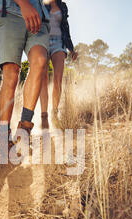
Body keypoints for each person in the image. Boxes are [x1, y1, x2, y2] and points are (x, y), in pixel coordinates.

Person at [0, 0, 50, 152]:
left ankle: (25, 128)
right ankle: (4, 137)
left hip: (39, 18)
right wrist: (24, 4)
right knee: (11, 73)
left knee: (40, 61)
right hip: (10, 13)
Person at [39, 0, 77, 129]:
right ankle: (44, 116)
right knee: (43, 79)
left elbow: (66, 26)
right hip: (43, 41)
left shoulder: (63, 6)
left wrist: (71, 48)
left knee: (58, 80)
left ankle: (54, 113)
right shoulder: (42, 4)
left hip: (59, 43)